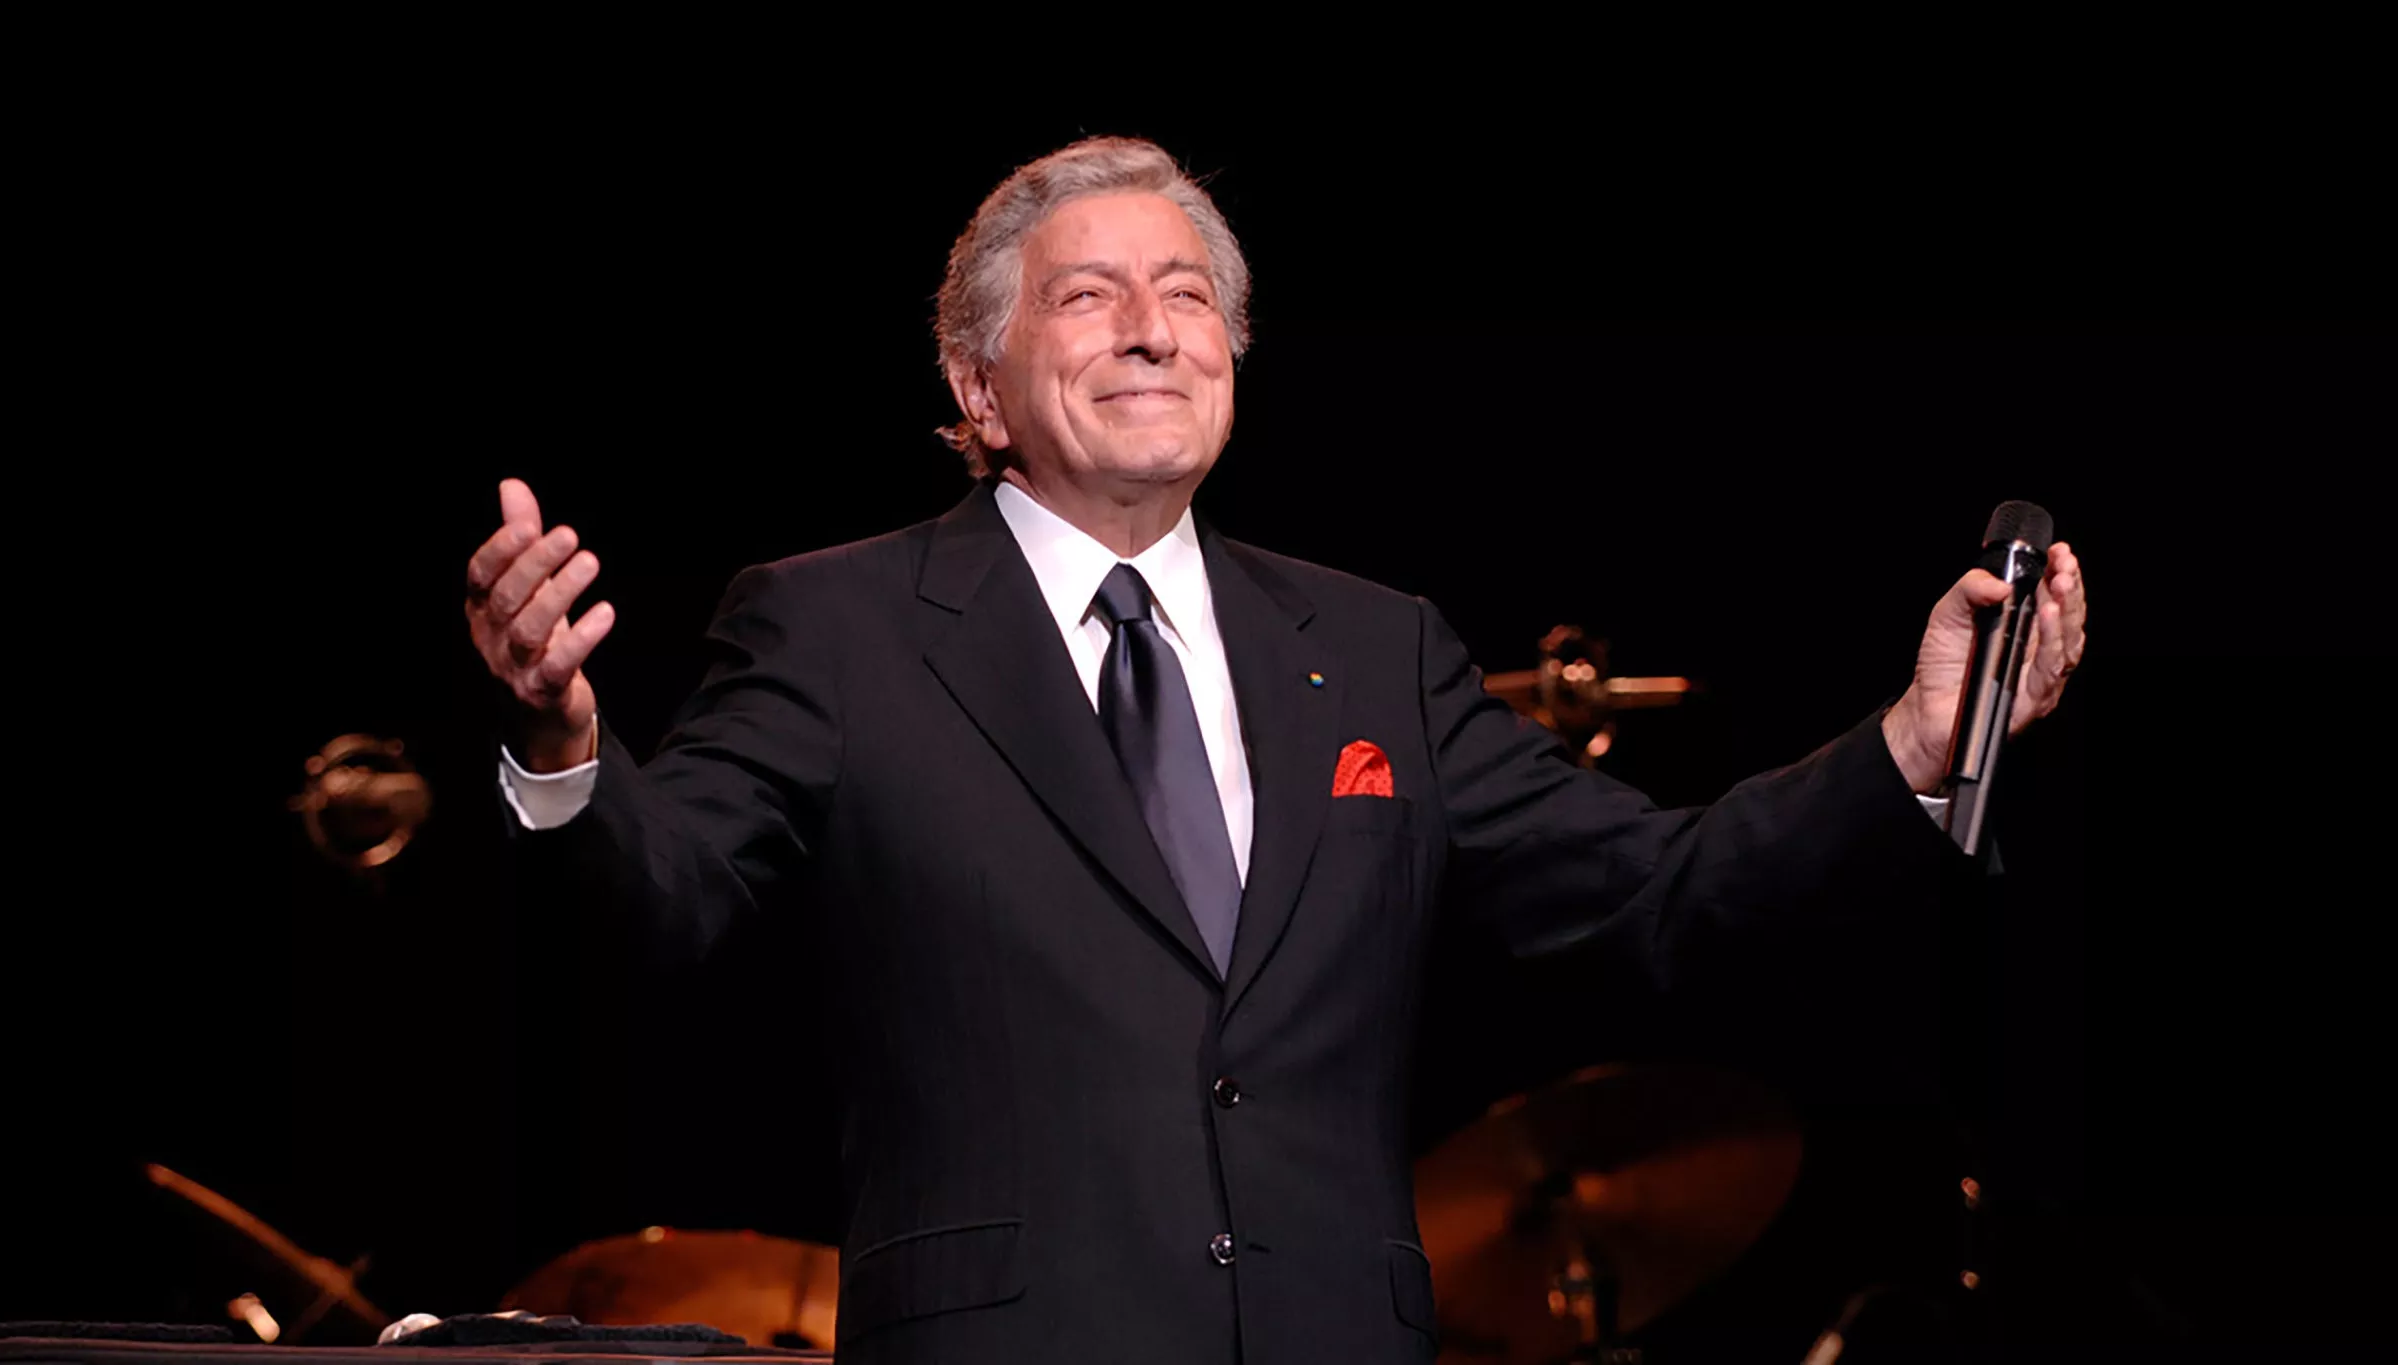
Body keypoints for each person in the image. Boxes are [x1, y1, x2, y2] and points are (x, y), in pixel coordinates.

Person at [464, 137, 2087, 1365]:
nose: (1151, 331)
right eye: (1087, 296)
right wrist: (562, 740)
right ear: (978, 386)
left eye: (1187, 296)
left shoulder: (1373, 648)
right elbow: (669, 893)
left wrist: (1913, 742)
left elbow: (1658, 893)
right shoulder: (838, 625)